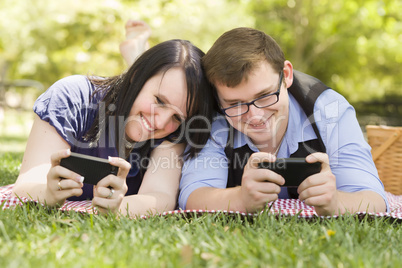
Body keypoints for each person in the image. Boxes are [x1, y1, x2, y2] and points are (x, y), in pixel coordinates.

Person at [12, 21, 214, 217]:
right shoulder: (72, 97)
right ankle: (136, 51)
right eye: (160, 101)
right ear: (136, 75)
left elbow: (160, 197)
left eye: (177, 117)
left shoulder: (175, 131)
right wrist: (47, 193)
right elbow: (26, 185)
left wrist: (118, 208)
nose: (161, 123)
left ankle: (137, 51)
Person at [178, 27, 388, 216]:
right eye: (235, 104)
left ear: (286, 75)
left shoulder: (330, 110)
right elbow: (192, 196)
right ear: (217, 97)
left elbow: (374, 199)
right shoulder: (213, 116)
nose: (255, 115)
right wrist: (240, 199)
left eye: (264, 96)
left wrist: (336, 202)